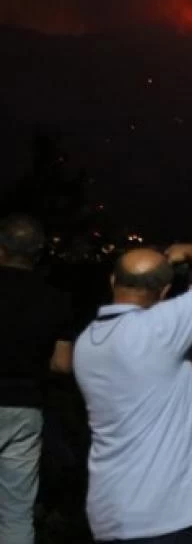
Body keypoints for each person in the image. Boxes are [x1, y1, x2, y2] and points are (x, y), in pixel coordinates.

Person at [73, 244, 192, 543]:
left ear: (112, 281)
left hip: (109, 513)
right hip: (167, 516)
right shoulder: (159, 328)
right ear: (164, 292)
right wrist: (189, 251)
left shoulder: (87, 343)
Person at [0, 215, 75, 544]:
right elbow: (62, 364)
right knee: (16, 513)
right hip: (25, 408)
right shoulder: (57, 299)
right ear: (39, 254)